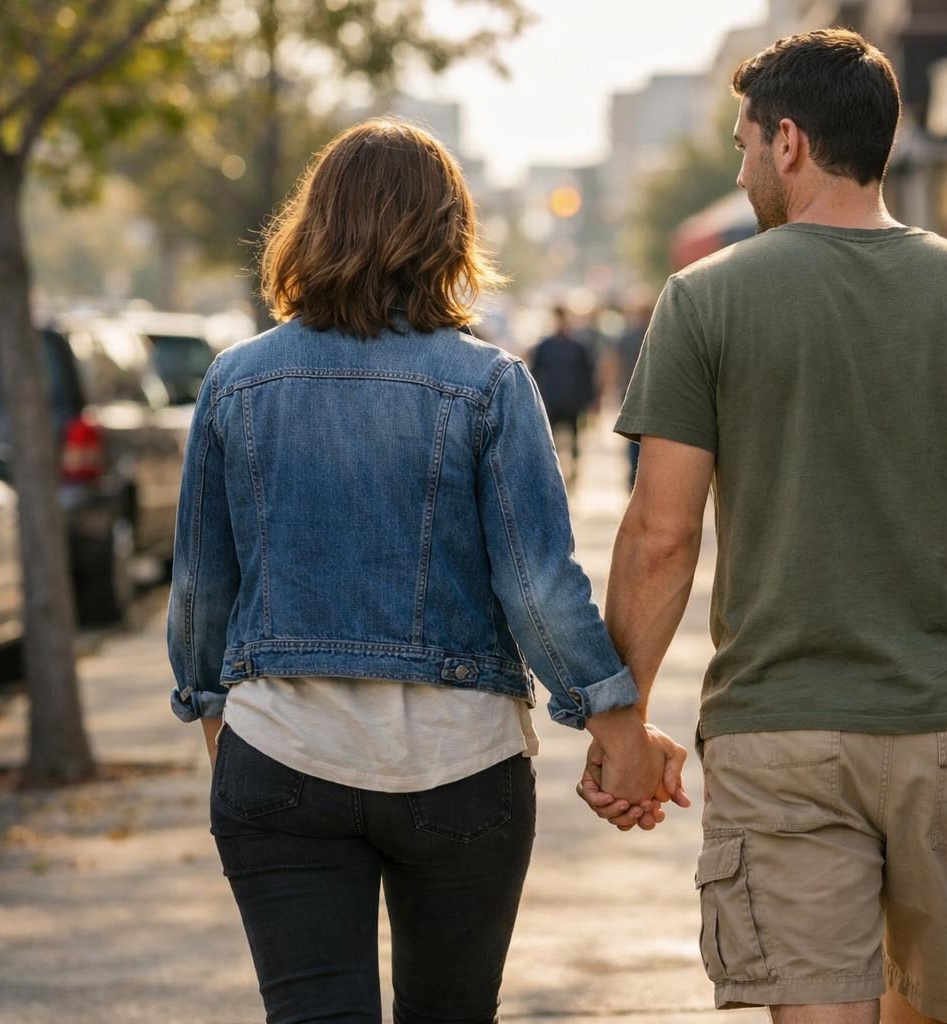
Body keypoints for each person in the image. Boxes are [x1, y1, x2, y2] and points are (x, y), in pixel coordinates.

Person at [578, 30, 947, 1024]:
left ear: (788, 141)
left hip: (778, 732)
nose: (743, 170)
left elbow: (660, 535)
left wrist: (626, 719)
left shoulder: (705, 301)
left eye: (744, 145)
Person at [165, 118, 686, 1024]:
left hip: (280, 754)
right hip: (459, 766)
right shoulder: (487, 384)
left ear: (312, 227)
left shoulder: (235, 381)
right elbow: (536, 585)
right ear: (449, 234)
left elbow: (201, 588)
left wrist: (218, 721)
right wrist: (617, 723)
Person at [528, 305, 597, 487]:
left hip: (571, 401)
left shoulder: (578, 347)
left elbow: (587, 375)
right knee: (549, 440)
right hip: (550, 401)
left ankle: (573, 470)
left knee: (574, 437)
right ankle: (553, 472)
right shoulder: (544, 347)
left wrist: (590, 400)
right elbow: (534, 374)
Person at [614, 297, 653, 490]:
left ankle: (634, 481)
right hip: (651, 393)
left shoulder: (627, 337)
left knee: (632, 437)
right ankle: (645, 480)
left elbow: (616, 364)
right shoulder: (657, 336)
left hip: (630, 391)